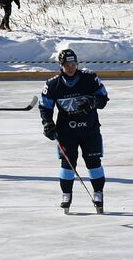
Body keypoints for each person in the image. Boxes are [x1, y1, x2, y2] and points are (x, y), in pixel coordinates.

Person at [39, 48, 110, 212]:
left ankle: (98, 192)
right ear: (61, 66)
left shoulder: (89, 78)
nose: (70, 67)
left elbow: (103, 99)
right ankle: (66, 194)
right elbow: (45, 107)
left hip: (90, 130)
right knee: (67, 164)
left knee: (93, 162)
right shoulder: (52, 84)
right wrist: (47, 123)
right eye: (67, 65)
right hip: (66, 132)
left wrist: (92, 101)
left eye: (73, 64)